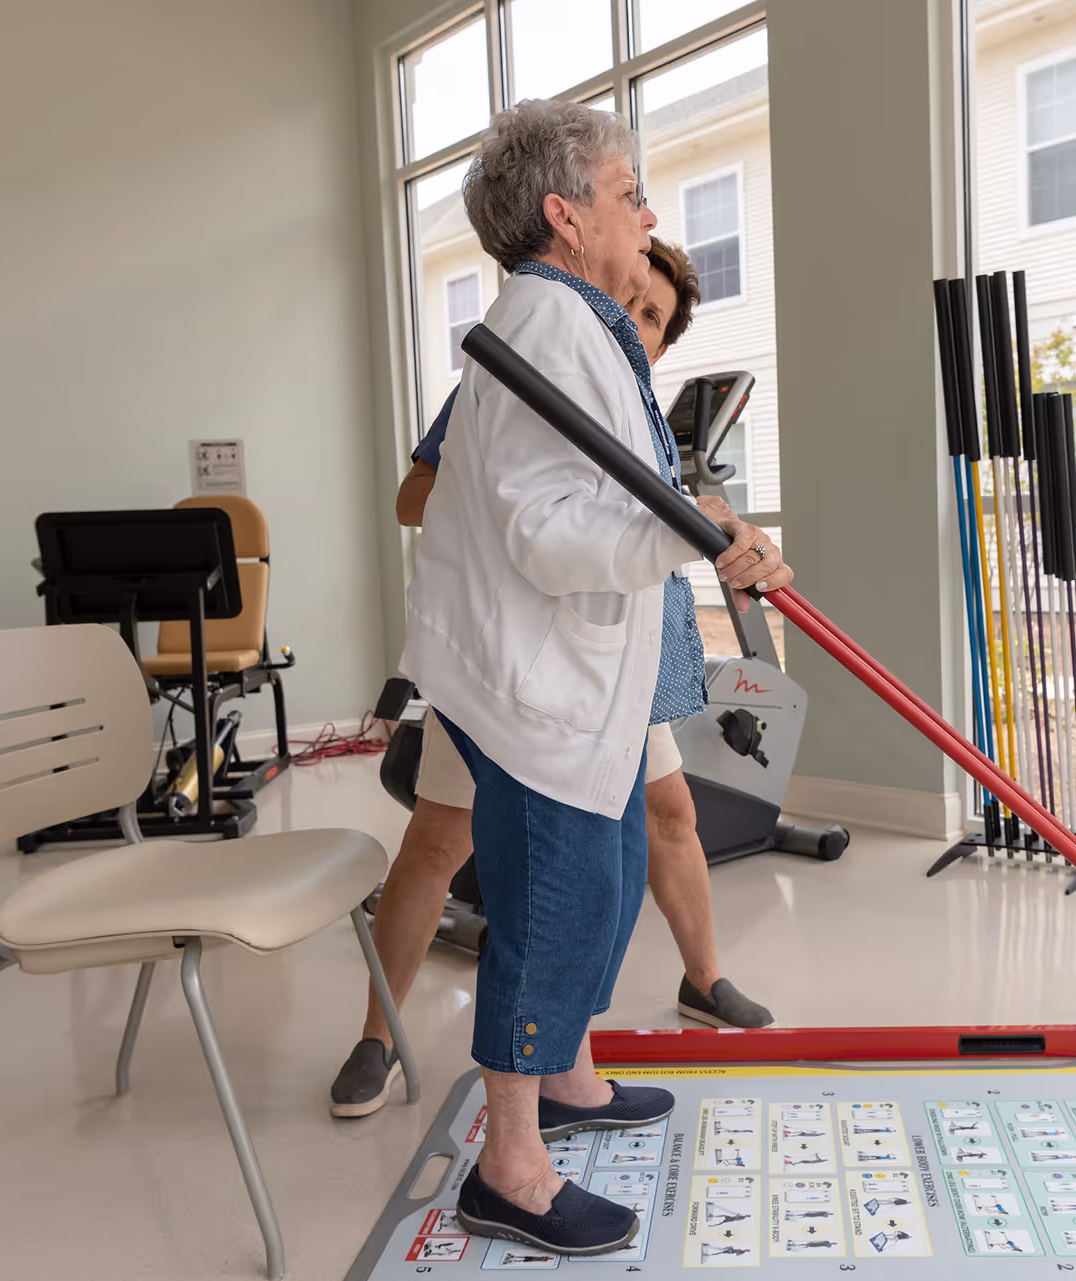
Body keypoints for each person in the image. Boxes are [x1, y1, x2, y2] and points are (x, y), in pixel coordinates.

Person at [393, 99, 793, 1256]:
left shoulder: (573, 320)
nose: (649, 212)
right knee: (557, 909)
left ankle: (566, 1079)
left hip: (581, 680)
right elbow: (552, 536)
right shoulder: (549, 324)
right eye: (629, 193)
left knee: (614, 873)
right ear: (566, 216)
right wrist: (693, 533)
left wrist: (698, 519)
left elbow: (603, 506)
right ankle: (508, 1168)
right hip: (539, 688)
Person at [329, 237, 778, 1125]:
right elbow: (412, 497)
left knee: (667, 816)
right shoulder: (520, 375)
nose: (636, 325)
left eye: (654, 318)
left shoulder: (634, 403)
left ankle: (702, 979)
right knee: (438, 843)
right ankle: (378, 1034)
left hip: (626, 655)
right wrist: (495, 492)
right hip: (519, 665)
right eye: (631, 302)